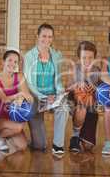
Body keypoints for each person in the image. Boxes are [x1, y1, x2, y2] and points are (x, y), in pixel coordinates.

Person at [23, 23, 70, 156]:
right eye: (44, 36)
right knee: (40, 145)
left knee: (64, 107)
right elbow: (30, 84)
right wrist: (43, 97)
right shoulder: (29, 56)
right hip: (36, 98)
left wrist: (59, 93)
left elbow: (59, 80)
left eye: (50, 37)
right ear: (37, 36)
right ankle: (34, 140)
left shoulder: (56, 55)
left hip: (52, 96)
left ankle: (58, 145)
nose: (47, 39)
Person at [66, 41, 110, 153]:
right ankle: (75, 137)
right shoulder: (74, 69)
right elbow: (67, 88)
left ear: (94, 58)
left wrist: (95, 88)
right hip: (77, 103)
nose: (87, 61)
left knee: (88, 147)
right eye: (84, 57)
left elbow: (101, 90)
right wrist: (77, 85)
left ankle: (82, 138)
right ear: (79, 57)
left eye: (90, 57)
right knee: (82, 108)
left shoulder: (97, 71)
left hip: (91, 106)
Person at [0, 50, 33, 159]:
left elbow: (30, 99)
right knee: (18, 127)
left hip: (12, 117)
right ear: (3, 62)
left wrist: (22, 97)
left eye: (15, 62)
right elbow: (5, 99)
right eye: (10, 60)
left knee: (22, 146)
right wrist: (19, 95)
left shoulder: (20, 76)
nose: (12, 64)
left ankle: (2, 137)